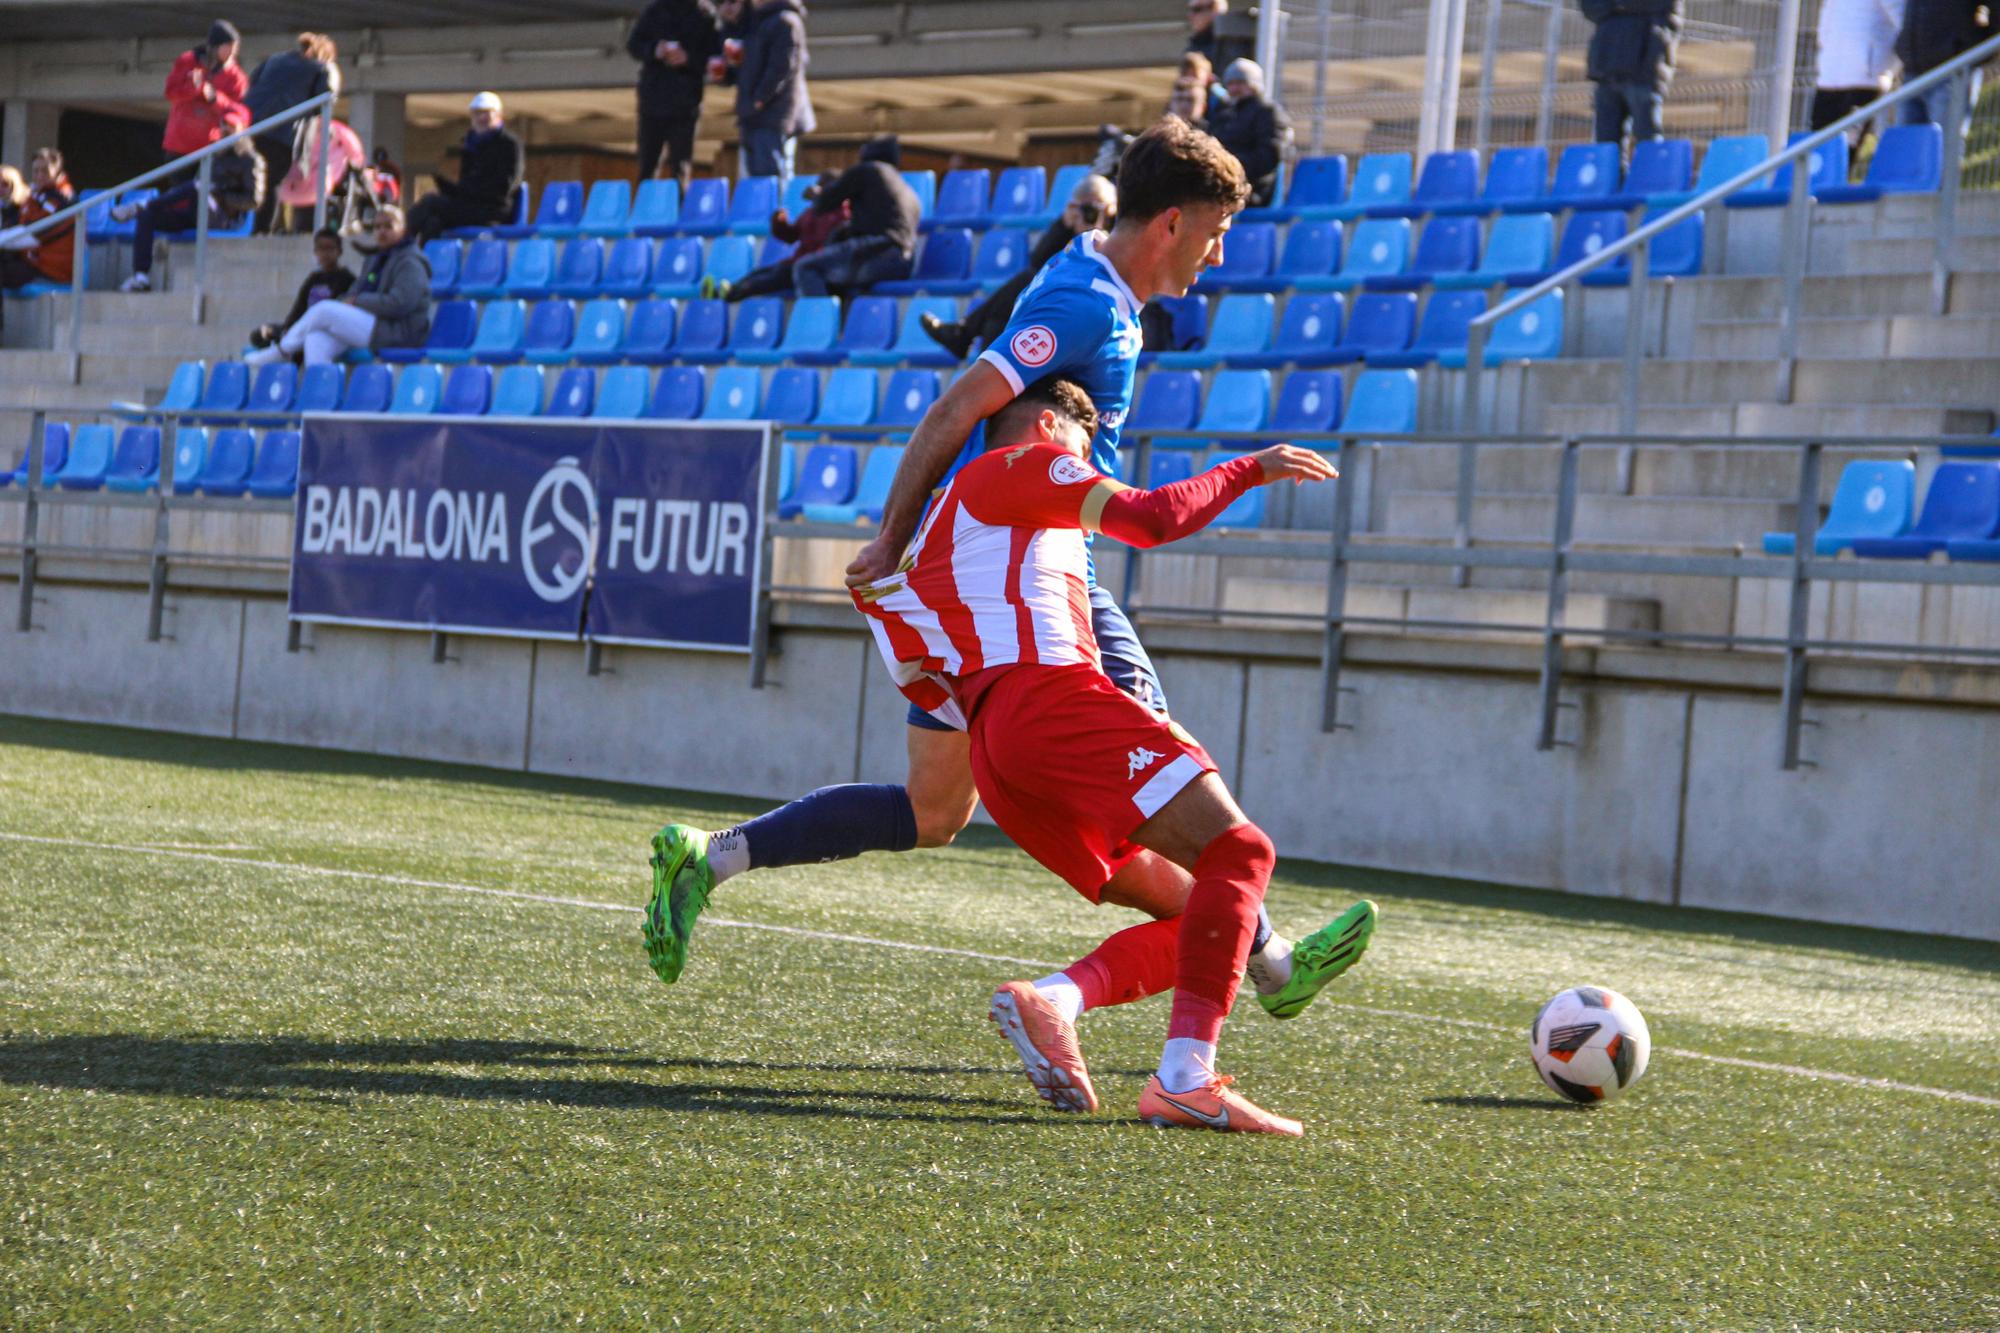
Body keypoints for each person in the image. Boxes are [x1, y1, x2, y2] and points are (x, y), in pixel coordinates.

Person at [640, 120, 1368, 1034]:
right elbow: (962, 404)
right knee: (1165, 773)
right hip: (1033, 576)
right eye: (1217, 232)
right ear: (1171, 224)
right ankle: (1262, 965)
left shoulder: (1093, 286)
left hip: (972, 588)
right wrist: (888, 536)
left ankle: (711, 858)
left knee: (935, 809)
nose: (1220, 255)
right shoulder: (1089, 310)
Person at [831, 376, 1347, 1133]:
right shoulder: (1024, 465)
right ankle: (1184, 1079)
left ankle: (1057, 998)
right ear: (1048, 426)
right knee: (1242, 849)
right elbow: (1151, 517)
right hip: (1052, 703)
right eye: (1083, 446)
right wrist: (1252, 467)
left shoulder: (947, 513)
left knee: (1204, 904)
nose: (1085, 463)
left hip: (998, 749)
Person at [920, 172, 1118, 361]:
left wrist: (1098, 227)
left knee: (1028, 278)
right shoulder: (1068, 228)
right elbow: (1038, 260)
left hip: (1088, 302)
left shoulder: (1117, 228)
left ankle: (964, 333)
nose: (1089, 213)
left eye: (1094, 207)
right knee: (995, 324)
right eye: (1085, 207)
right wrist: (1065, 225)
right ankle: (971, 345)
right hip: (1057, 295)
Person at [242, 205, 428, 365]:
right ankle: (320, 399)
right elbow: (356, 290)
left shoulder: (410, 262)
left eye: (388, 226)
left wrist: (357, 302)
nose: (381, 231)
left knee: (324, 309)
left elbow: (399, 303)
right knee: (315, 340)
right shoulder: (375, 260)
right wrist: (346, 301)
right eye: (377, 227)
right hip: (372, 325)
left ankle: (282, 351)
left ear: (403, 230)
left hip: (398, 333)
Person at [116, 136, 265, 293]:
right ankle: (141, 277)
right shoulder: (214, 155)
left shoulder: (252, 159)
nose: (225, 129)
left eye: (231, 125)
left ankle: (144, 204)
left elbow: (254, 201)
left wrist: (221, 195)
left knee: (196, 186)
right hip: (198, 212)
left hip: (224, 217)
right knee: (147, 216)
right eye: (223, 124)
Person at [791, 136, 919, 298]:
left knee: (806, 268)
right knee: (847, 288)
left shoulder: (869, 170)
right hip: (903, 263)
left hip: (880, 251)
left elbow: (825, 202)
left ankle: (817, 322)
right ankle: (842, 322)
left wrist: (816, 194)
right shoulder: (907, 189)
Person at [243, 31, 340, 233]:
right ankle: (261, 231)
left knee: (248, 178)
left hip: (249, 126)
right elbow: (326, 99)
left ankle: (240, 227)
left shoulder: (274, 60)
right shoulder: (322, 68)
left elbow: (252, 84)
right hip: (281, 133)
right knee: (271, 182)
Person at [706, 171, 846, 300]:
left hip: (812, 267)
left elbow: (824, 239)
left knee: (773, 278)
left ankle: (730, 294)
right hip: (797, 262)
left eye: (824, 186)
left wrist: (821, 199)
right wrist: (779, 222)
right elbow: (791, 236)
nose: (818, 188)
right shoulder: (811, 212)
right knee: (760, 273)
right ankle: (723, 289)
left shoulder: (841, 214)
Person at [404, 93, 525, 244]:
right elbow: (466, 184)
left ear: (498, 115)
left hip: (493, 209)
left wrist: (472, 191)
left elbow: (506, 185)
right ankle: (425, 264)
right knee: (433, 223)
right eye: (476, 113)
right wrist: (451, 189)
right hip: (470, 206)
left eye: (486, 113)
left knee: (430, 202)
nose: (481, 118)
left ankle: (399, 243)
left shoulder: (509, 144)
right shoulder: (471, 144)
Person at [628, 0, 722, 190]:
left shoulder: (704, 14)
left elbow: (715, 57)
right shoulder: (655, 10)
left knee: (680, 166)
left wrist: (688, 59)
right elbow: (634, 44)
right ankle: (644, 214)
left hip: (685, 104)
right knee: (647, 165)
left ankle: (677, 213)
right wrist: (656, 50)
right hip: (652, 100)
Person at [731, 0, 815, 180]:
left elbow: (782, 67)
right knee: (754, 175)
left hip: (773, 114)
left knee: (770, 174)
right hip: (753, 113)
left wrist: (759, 99)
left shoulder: (785, 21)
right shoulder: (754, 23)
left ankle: (776, 208)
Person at [1582, 0, 1684, 148]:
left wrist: (1614, 6)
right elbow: (1590, 7)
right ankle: (1615, 172)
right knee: (1606, 141)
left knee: (1647, 135)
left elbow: (1655, 4)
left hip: (1644, 67)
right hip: (1607, 68)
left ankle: (1650, 170)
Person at [1201, 59, 1293, 209]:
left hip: (1253, 189)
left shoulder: (1267, 112)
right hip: (1220, 185)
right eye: (1231, 83)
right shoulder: (1223, 115)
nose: (1234, 88)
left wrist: (1229, 168)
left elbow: (1269, 156)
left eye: (1241, 82)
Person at [1812, 0, 1906, 143]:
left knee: (1850, 145)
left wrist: (1889, 69)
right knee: (1821, 148)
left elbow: (1904, 22)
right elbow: (1825, 24)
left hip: (1865, 78)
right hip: (1829, 77)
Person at [163, 21, 251, 170]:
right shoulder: (188, 61)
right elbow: (171, 93)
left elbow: (242, 113)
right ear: (215, 46)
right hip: (179, 145)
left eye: (234, 48)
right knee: (179, 190)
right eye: (228, 47)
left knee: (204, 190)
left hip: (210, 147)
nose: (231, 53)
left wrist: (215, 99)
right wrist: (193, 88)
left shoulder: (236, 77)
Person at [249, 227, 355, 349]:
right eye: (321, 249)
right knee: (259, 334)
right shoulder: (313, 278)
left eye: (330, 249)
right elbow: (298, 309)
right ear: (315, 252)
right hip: (300, 328)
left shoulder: (347, 279)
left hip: (323, 332)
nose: (325, 254)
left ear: (339, 251)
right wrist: (288, 328)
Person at [1896, 0, 1990, 132]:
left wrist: (1978, 47)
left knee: (1945, 146)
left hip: (1952, 72)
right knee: (1908, 147)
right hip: (1912, 73)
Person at [0, 149, 75, 292]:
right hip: (32, 261)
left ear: (58, 173)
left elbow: (33, 234)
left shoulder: (63, 198)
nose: (39, 176)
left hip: (52, 269)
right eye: (36, 171)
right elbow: (16, 223)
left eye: (45, 171)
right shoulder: (36, 195)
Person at [1186, 0, 1257, 70]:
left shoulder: (1232, 46)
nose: (1190, 15)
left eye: (1196, 9)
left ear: (1215, 9)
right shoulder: (1195, 45)